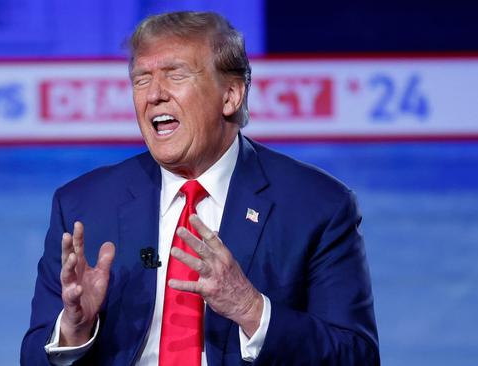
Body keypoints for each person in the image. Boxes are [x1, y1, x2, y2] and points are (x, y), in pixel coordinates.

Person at [21, 11, 379, 365]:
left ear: (231, 95)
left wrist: (252, 310)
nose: (154, 95)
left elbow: (357, 356)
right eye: (141, 79)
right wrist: (74, 330)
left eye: (175, 75)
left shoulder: (317, 205)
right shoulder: (84, 205)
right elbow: (33, 357)